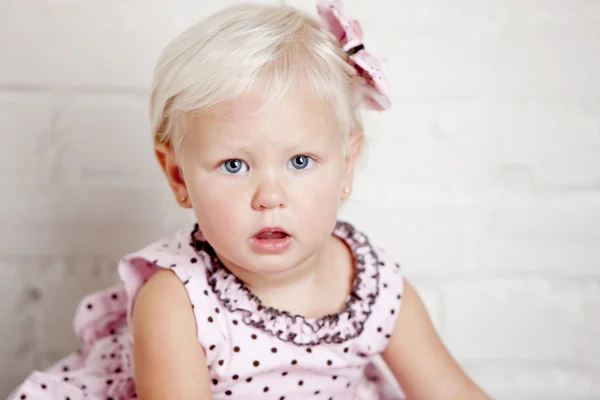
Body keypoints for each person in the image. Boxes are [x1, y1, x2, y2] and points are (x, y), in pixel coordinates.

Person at [8, 1, 491, 399]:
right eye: (234, 166)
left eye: (300, 161)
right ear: (178, 176)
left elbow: (452, 392)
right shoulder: (178, 302)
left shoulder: (376, 288)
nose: (270, 197)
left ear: (346, 166)